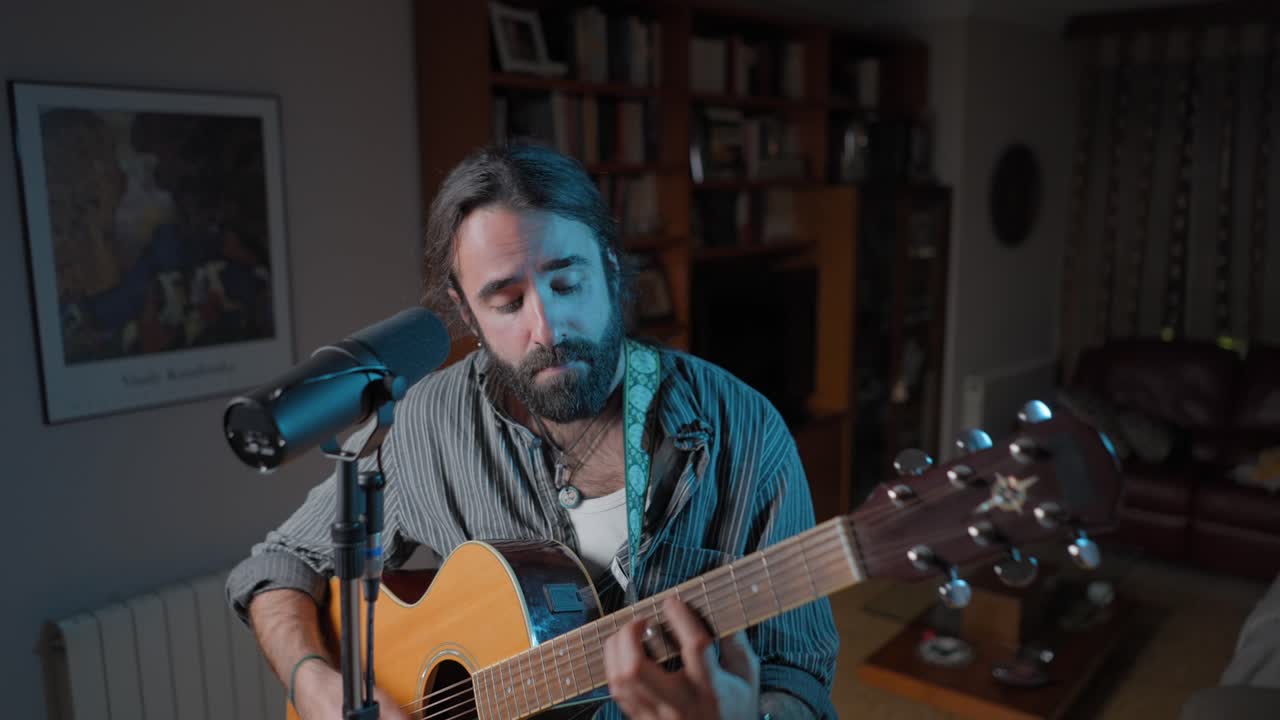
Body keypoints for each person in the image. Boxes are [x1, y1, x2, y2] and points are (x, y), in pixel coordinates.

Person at [226, 144, 839, 719]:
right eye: (507, 301)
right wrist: (314, 682)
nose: (547, 329)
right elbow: (281, 562)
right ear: (465, 311)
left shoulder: (742, 429)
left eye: (567, 283)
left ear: (611, 266)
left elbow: (803, 675)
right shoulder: (426, 428)